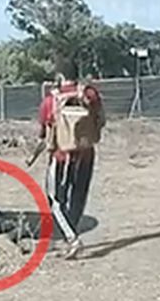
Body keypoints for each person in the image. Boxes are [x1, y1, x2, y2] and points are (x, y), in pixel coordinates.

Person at [37, 73, 105, 259]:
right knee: (78, 196)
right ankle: (70, 235)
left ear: (60, 76)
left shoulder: (51, 100)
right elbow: (101, 120)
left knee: (55, 199)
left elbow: (43, 129)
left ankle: (72, 238)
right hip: (86, 153)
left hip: (61, 156)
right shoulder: (90, 94)